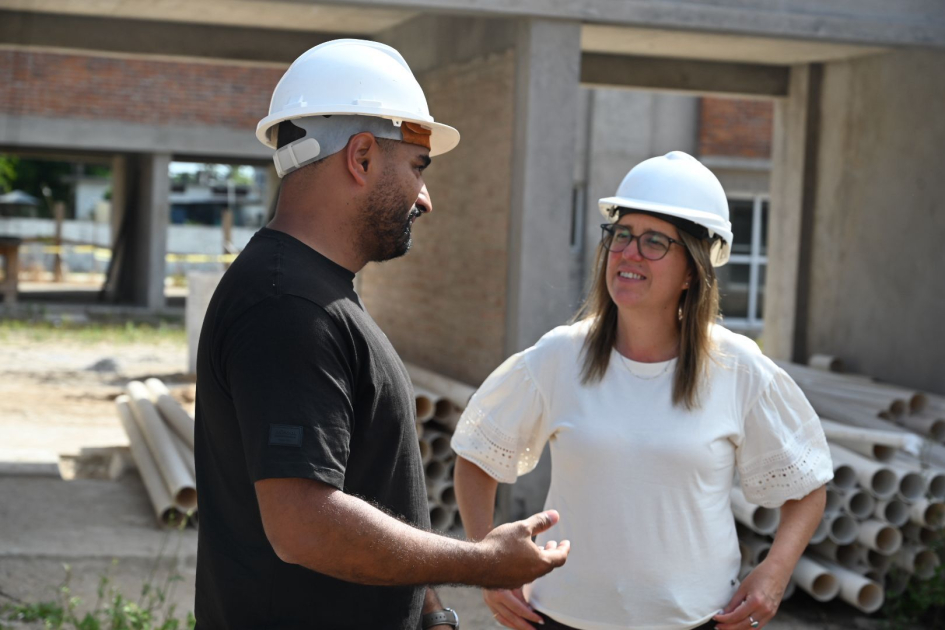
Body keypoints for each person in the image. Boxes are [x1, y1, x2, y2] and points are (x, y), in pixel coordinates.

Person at [193, 39, 570, 630]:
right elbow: (303, 524)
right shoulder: (288, 308)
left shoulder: (314, 293)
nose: (426, 199)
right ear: (362, 157)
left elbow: (371, 488)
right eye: (418, 167)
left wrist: (430, 612)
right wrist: (481, 563)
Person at [451, 151, 833, 630]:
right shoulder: (558, 356)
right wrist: (487, 564)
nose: (629, 253)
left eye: (655, 241)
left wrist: (774, 573)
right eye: (622, 235)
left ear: (692, 270)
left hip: (697, 621)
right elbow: (476, 456)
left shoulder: (738, 367)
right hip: (560, 619)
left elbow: (808, 486)